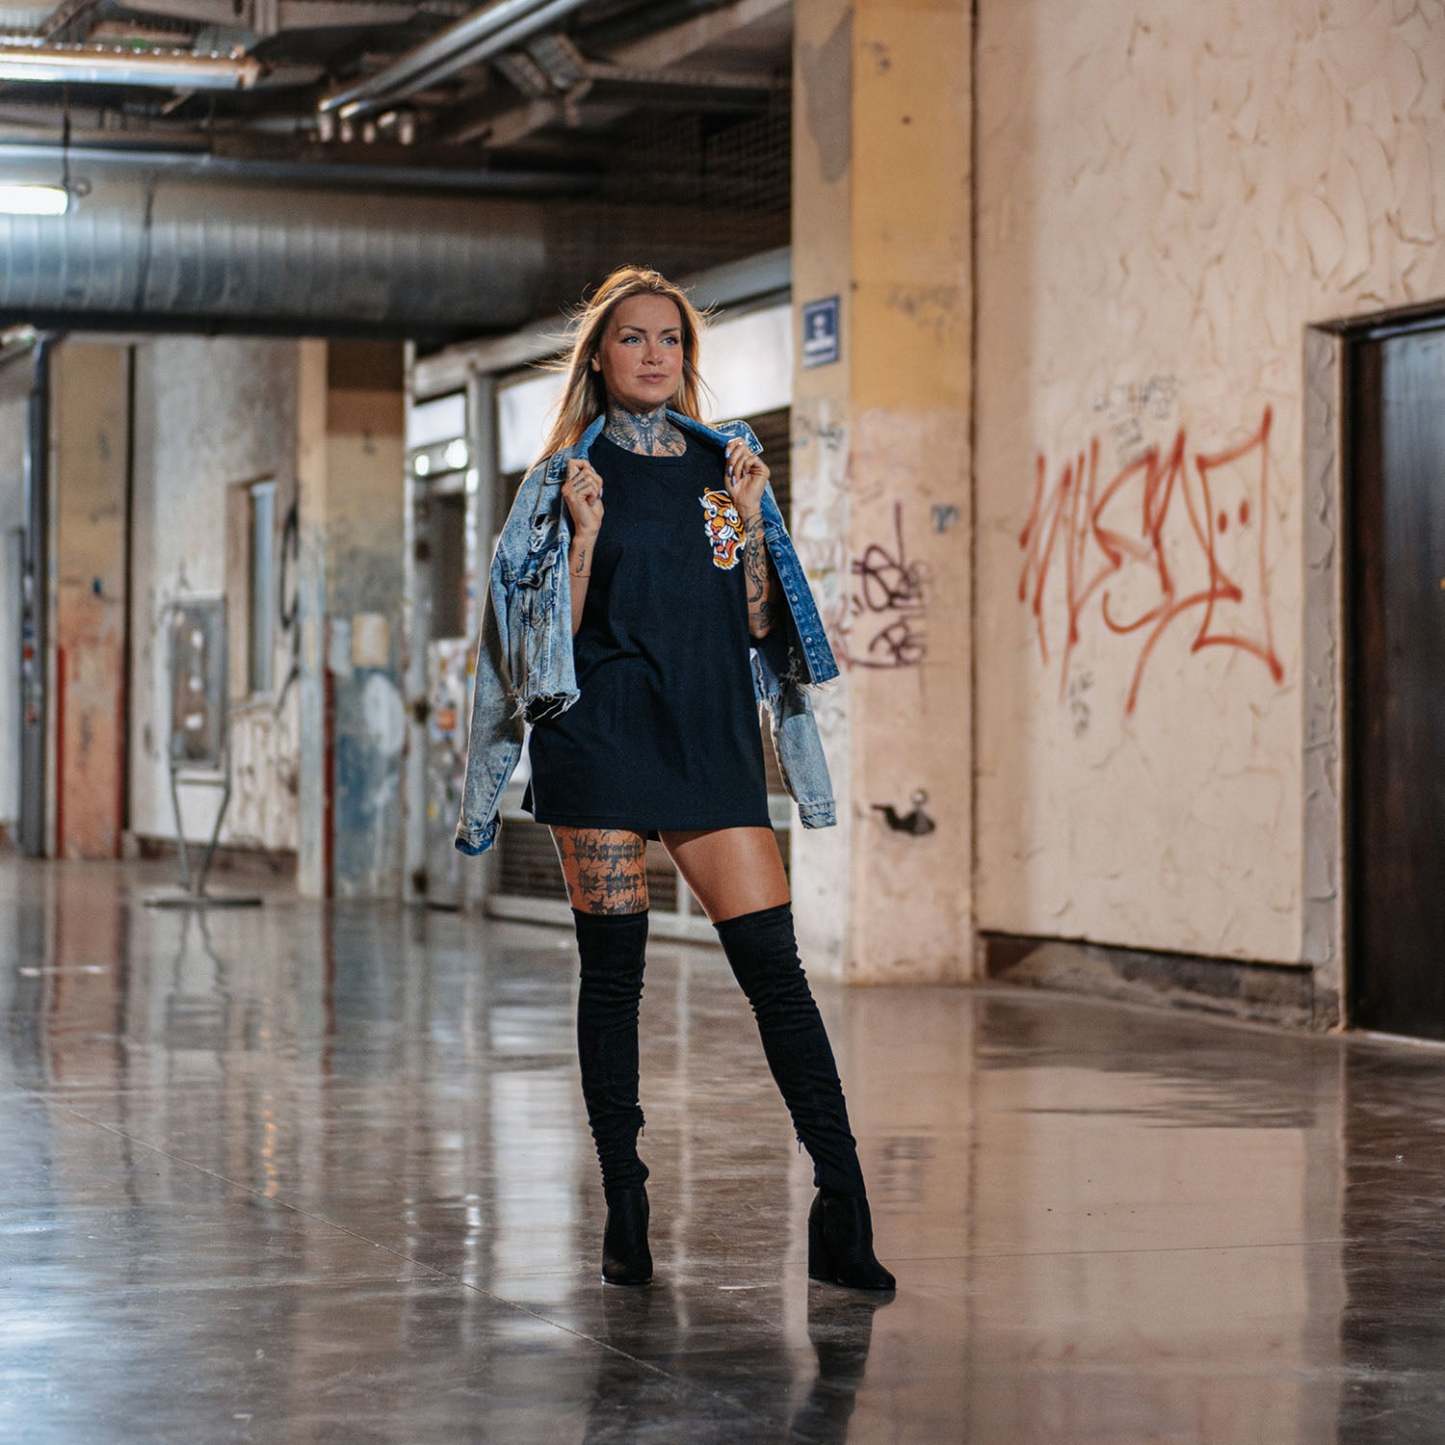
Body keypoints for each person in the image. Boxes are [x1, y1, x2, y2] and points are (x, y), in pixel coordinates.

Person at [455, 265, 894, 1292]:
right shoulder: (562, 478)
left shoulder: (720, 469)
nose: (654, 354)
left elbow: (756, 618)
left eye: (670, 339)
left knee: (775, 973)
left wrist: (749, 516)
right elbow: (542, 647)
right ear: (599, 357)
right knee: (615, 979)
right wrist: (584, 534)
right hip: (599, 739)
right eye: (633, 337)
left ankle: (841, 1205)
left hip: (707, 738)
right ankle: (625, 1201)